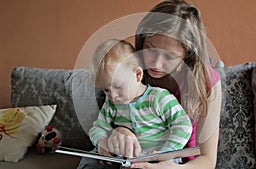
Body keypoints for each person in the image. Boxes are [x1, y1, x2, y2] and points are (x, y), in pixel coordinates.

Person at [105, 0, 222, 169]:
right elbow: (110, 117)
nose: (156, 64)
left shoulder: (207, 81)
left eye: (169, 57)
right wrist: (119, 131)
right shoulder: (131, 68)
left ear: (187, 56)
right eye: (151, 50)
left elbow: (208, 160)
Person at [78, 39, 193, 169]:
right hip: (127, 159)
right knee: (89, 161)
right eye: (106, 90)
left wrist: (166, 152)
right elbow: (98, 127)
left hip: (160, 159)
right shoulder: (112, 104)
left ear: (138, 75)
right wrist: (102, 143)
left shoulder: (158, 97)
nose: (113, 96)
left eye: (118, 86)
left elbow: (183, 125)